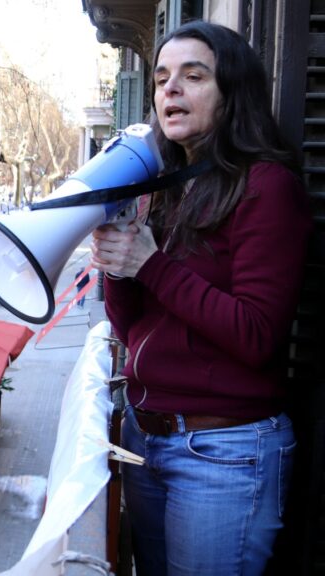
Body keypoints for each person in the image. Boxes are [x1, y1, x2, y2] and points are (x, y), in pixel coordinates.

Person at [90, 21, 311, 576]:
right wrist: (119, 268)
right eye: (163, 78)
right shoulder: (170, 187)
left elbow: (257, 334)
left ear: (231, 92)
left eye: (193, 75)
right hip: (148, 440)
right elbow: (133, 327)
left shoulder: (267, 187)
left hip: (224, 453)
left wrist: (151, 263)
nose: (170, 89)